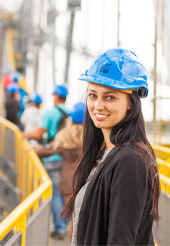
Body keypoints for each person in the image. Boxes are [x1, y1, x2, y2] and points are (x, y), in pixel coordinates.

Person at [62, 48, 160, 245]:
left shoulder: (129, 161)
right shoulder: (104, 153)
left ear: (130, 103)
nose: (98, 105)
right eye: (92, 95)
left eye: (110, 97)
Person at [23, 84, 70, 239]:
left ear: (55, 96)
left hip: (51, 157)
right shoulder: (70, 114)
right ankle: (67, 225)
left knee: (55, 193)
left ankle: (60, 227)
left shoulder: (50, 114)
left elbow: (39, 134)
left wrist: (26, 134)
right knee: (65, 193)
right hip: (68, 158)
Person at [33, 101, 86, 241]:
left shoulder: (64, 135)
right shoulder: (92, 136)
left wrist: (33, 149)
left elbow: (49, 150)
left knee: (74, 220)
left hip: (69, 182)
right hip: (87, 180)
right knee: (86, 220)